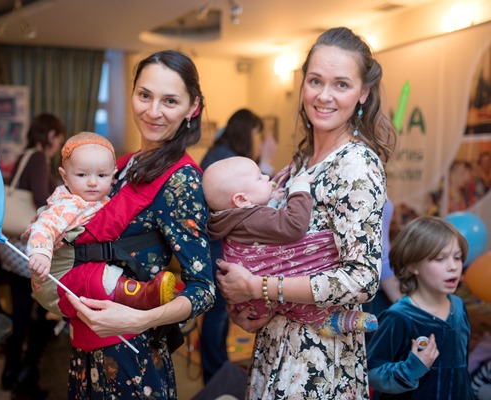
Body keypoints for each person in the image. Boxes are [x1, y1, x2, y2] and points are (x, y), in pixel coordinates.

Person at [215, 27, 396, 399]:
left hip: (319, 359)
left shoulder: (356, 165)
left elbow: (362, 278)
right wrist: (249, 307)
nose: (324, 95)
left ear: (363, 92)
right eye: (315, 81)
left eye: (341, 84)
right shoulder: (300, 163)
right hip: (275, 348)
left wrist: (258, 287)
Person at [58, 50, 214, 398]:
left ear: (192, 107)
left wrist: (139, 319)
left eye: (170, 101)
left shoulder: (181, 181)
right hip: (87, 345)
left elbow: (203, 289)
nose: (153, 111)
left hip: (133, 354)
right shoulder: (123, 164)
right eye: (144, 95)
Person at [203, 156, 378, 336]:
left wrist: (272, 201)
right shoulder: (252, 219)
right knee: (295, 286)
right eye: (259, 177)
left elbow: (262, 224)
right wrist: (299, 189)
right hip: (259, 295)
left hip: (250, 303)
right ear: (241, 199)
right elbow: (294, 226)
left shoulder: (232, 218)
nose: (266, 177)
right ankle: (322, 320)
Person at [27, 132, 176, 312]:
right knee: (104, 277)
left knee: (106, 275)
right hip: (56, 281)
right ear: (64, 176)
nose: (92, 182)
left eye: (102, 175)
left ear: (113, 176)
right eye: (82, 175)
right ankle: (143, 296)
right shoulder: (68, 204)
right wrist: (41, 252)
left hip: (73, 278)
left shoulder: (101, 199)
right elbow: (44, 225)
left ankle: (153, 294)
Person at [198, 108, 276, 384]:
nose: (259, 140)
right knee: (216, 314)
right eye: (257, 134)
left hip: (217, 247)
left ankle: (217, 370)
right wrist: (267, 161)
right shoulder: (226, 161)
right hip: (217, 250)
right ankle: (216, 374)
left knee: (218, 314)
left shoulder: (221, 154)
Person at [0, 112, 66, 398]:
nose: (58, 144)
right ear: (50, 135)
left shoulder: (24, 156)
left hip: (11, 250)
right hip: (28, 249)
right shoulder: (37, 158)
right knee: (45, 313)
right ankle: (27, 373)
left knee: (21, 313)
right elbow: (40, 199)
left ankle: (11, 371)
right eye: (58, 138)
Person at [367, 216, 474, 399]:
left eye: (457, 258)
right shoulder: (399, 316)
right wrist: (412, 368)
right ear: (412, 266)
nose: (453, 267)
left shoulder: (458, 306)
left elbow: (461, 367)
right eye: (440, 259)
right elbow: (372, 373)